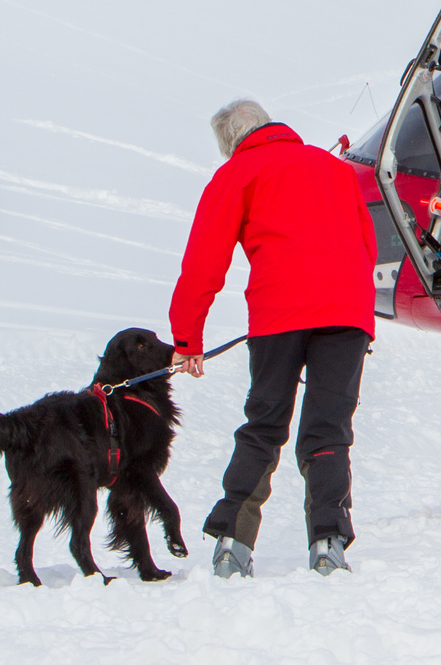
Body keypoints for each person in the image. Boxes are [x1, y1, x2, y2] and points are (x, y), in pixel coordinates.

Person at [169, 99, 376, 579]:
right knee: (329, 430)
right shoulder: (335, 169)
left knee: (264, 424)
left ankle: (232, 544)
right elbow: (367, 244)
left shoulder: (238, 173)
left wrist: (187, 338)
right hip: (345, 314)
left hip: (278, 314)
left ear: (231, 143)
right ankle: (328, 542)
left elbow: (203, 261)